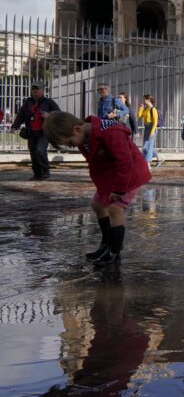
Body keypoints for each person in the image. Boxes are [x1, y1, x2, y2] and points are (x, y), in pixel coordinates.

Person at [43, 111, 151, 266]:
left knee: (115, 209)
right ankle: (105, 245)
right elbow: (97, 163)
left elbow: (125, 162)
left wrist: (119, 189)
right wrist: (102, 186)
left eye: (70, 143)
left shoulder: (111, 133)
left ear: (77, 129)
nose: (72, 146)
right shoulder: (84, 138)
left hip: (130, 174)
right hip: (112, 175)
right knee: (98, 204)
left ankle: (114, 252)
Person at [9, 83, 60, 180]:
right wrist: (14, 126)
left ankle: (45, 172)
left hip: (44, 132)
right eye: (33, 90)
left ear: (43, 90)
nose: (35, 92)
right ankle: (37, 174)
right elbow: (21, 115)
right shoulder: (28, 102)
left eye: (37, 90)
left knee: (40, 150)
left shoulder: (48, 102)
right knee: (33, 152)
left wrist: (49, 115)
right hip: (31, 132)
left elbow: (58, 113)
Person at [137, 94, 162, 167]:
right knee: (146, 147)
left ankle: (147, 164)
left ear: (148, 100)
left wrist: (152, 132)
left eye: (144, 99)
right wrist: (141, 108)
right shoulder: (146, 108)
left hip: (152, 128)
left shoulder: (153, 109)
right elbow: (139, 116)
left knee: (148, 146)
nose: (143, 101)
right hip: (146, 128)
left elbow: (155, 122)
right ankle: (159, 159)